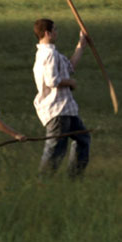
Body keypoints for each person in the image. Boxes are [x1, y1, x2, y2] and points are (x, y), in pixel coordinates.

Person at [32, 18, 92, 177]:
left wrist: (81, 45)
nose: (57, 32)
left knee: (83, 139)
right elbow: (53, 81)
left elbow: (69, 66)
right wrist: (70, 83)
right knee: (55, 149)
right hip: (57, 110)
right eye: (55, 29)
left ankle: (74, 178)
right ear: (47, 33)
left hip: (67, 110)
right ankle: (43, 182)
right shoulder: (49, 54)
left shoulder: (51, 53)